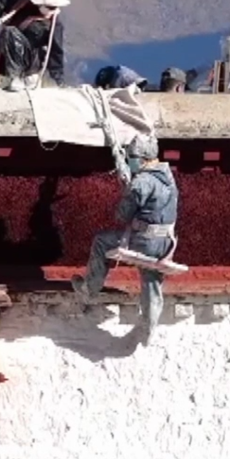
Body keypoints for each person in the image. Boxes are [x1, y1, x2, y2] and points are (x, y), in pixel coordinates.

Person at [71, 134, 178, 344]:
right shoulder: (167, 175)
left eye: (132, 158)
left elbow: (122, 215)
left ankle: (88, 291)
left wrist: (128, 189)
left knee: (101, 242)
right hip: (166, 243)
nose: (131, 161)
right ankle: (149, 326)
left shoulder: (141, 182)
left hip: (145, 241)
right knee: (151, 278)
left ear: (142, 159)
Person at [0, 0, 69, 90]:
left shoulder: (55, 25)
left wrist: (59, 82)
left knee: (10, 32)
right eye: (50, 6)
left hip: (28, 66)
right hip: (1, 54)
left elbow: (56, 55)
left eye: (55, 7)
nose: (52, 10)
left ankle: (15, 78)